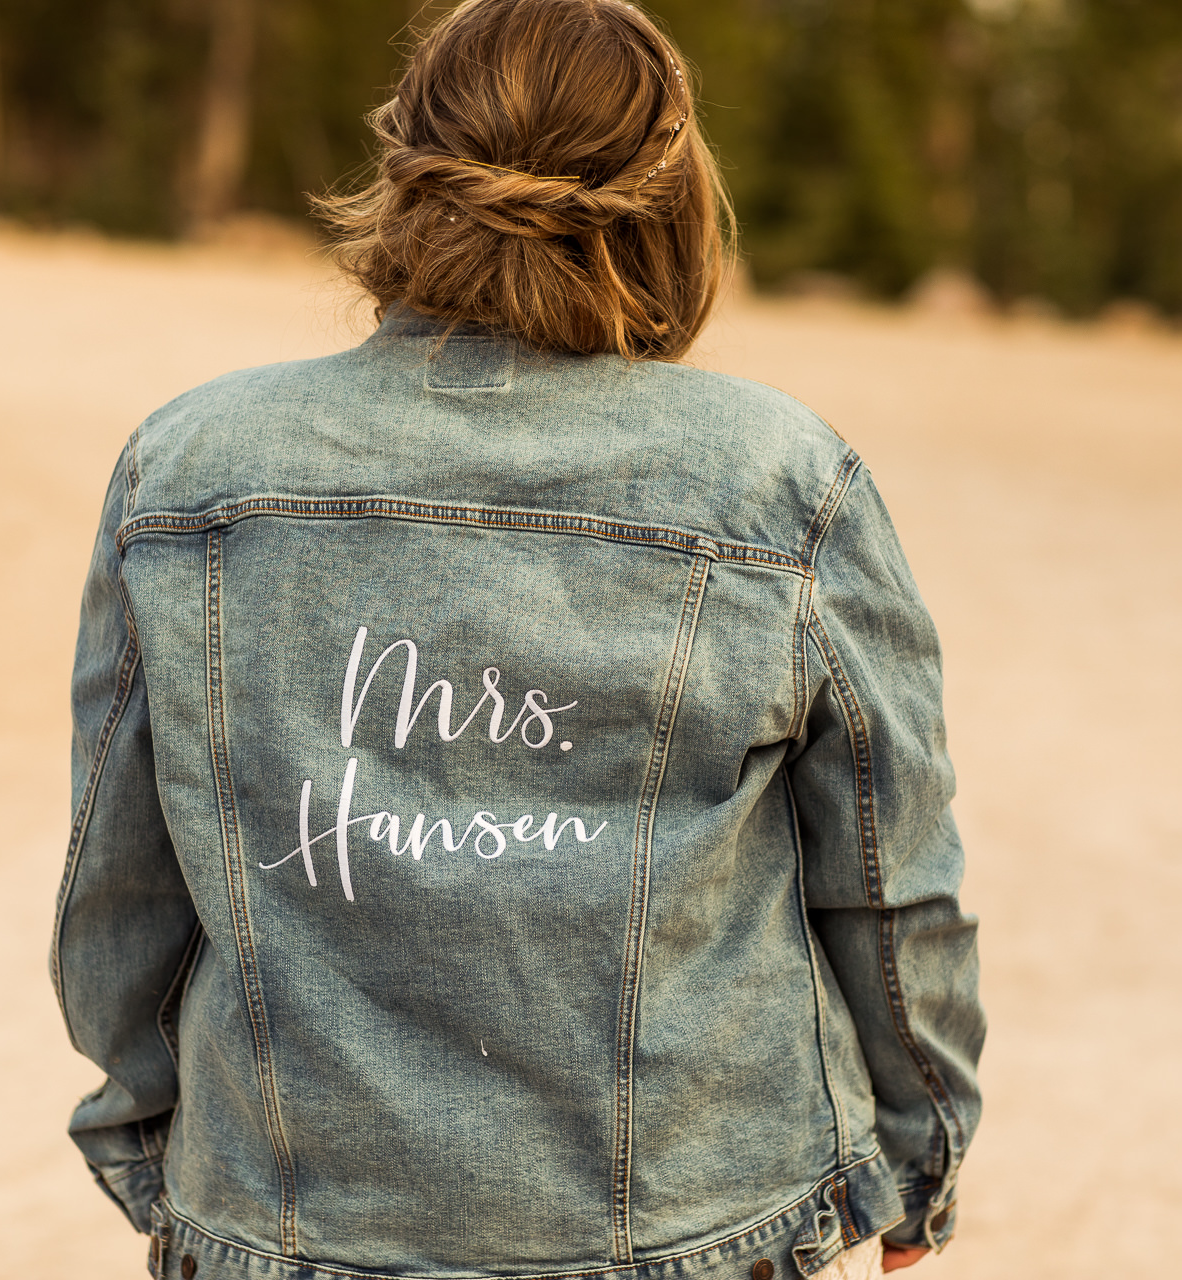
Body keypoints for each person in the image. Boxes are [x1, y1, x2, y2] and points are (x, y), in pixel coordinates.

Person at [50, 2, 984, 1278]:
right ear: (673, 201)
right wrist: (920, 1153)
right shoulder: (778, 481)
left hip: (286, 1222)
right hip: (695, 1226)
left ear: (402, 174)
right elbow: (885, 870)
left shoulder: (193, 467)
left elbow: (120, 876)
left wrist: (171, 1157)